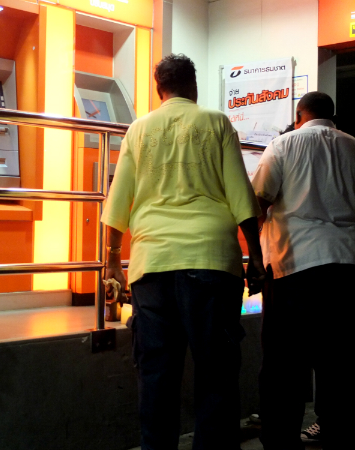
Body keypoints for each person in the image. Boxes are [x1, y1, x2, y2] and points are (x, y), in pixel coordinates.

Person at [102, 54, 265, 450]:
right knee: (217, 374)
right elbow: (241, 195)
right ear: (193, 85)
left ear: (159, 87)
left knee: (156, 374)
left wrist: (112, 261)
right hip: (211, 263)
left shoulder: (138, 130)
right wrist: (256, 256)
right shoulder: (216, 123)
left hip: (152, 265)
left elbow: (118, 200)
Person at [251, 91, 355, 450]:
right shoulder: (352, 146)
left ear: (299, 115)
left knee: (284, 363)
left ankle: (281, 441)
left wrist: (251, 259)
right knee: (338, 360)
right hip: (346, 265)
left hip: (294, 267)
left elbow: (257, 204)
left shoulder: (283, 146)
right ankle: (337, 430)